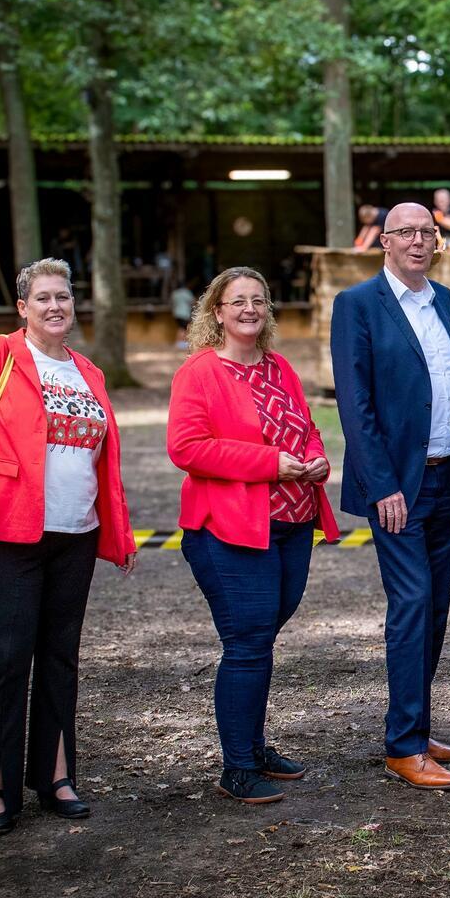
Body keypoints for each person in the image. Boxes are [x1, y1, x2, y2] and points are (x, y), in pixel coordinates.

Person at [0, 257, 136, 835]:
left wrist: (117, 534)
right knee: (7, 658)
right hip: (7, 534)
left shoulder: (89, 371)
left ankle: (55, 775)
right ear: (22, 307)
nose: (55, 306)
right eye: (42, 297)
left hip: (75, 534)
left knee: (59, 657)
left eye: (64, 297)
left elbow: (105, 459)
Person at [169, 267, 340, 804]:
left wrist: (314, 457)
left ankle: (252, 744)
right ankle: (237, 767)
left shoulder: (280, 367)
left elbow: (306, 425)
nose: (249, 309)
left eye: (259, 301)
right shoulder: (199, 372)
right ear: (216, 312)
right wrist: (270, 464)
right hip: (230, 530)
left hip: (291, 525)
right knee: (247, 642)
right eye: (237, 301)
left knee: (262, 635)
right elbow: (187, 447)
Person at [330, 202, 450, 790]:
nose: (418, 241)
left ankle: (418, 727)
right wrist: (381, 482)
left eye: (427, 233)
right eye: (406, 233)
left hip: (445, 476)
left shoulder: (442, 299)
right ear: (384, 242)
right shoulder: (358, 305)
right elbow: (355, 403)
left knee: (436, 606)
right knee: (412, 602)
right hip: (398, 486)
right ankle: (402, 745)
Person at [171, 278, 196, 348]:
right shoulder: (186, 292)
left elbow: (172, 303)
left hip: (176, 313)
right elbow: (193, 301)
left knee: (181, 327)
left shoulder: (174, 293)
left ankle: (180, 343)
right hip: (184, 313)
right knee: (183, 328)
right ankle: (179, 343)